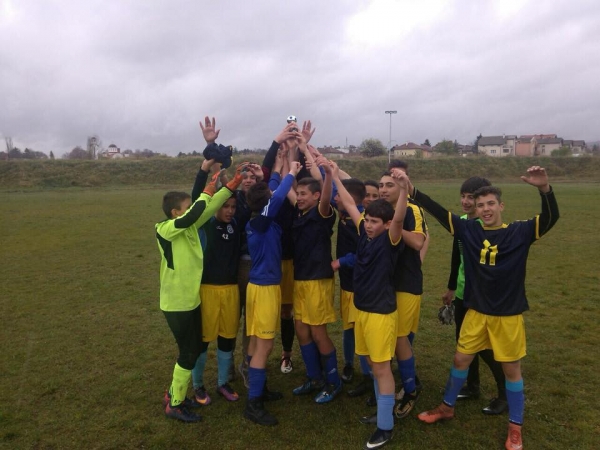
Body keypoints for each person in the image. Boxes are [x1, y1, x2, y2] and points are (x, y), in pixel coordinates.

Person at [414, 166, 559, 450]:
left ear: (501, 206)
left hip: (507, 316)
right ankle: (446, 407)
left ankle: (515, 427)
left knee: (511, 370)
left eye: (490, 203)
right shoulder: (468, 230)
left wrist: (545, 189)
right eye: (480, 205)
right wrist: (412, 191)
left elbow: (551, 218)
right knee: (460, 360)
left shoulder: (519, 232)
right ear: (476, 210)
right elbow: (439, 212)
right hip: (476, 312)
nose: (485, 209)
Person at [332, 161, 408, 450]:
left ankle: (385, 427)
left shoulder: (391, 238)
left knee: (382, 368)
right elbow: (351, 204)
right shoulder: (365, 232)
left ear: (386, 225)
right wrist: (333, 176)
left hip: (380, 314)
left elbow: (399, 218)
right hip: (362, 309)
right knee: (374, 367)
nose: (369, 225)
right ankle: (382, 411)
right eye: (368, 220)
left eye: (375, 222)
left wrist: (403, 189)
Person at [156, 164, 241, 422]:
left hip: (191, 301)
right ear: (175, 212)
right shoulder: (165, 228)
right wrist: (207, 190)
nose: (192, 209)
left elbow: (209, 208)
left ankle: (175, 394)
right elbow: (195, 212)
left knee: (190, 351)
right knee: (189, 352)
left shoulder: (191, 227)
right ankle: (175, 404)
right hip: (176, 303)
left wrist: (231, 185)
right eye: (187, 206)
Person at [441, 176, 507, 415]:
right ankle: (472, 385)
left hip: (481, 297)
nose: (466, 202)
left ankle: (505, 394)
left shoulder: (486, 227)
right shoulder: (462, 223)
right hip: (462, 292)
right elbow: (456, 257)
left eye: (471, 198)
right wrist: (451, 288)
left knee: (484, 348)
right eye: (463, 196)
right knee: (464, 342)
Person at [243, 160, 302, 425]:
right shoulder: (261, 223)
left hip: (259, 287)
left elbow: (273, 193)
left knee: (256, 342)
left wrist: (276, 172)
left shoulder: (258, 221)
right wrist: (292, 172)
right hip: (264, 289)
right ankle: (253, 404)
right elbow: (277, 197)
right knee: (264, 346)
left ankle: (260, 388)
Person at [188, 158, 244, 406]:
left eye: (233, 206)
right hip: (207, 290)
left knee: (227, 338)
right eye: (225, 206)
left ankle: (222, 382)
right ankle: (198, 385)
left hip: (231, 290)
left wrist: (230, 179)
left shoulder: (236, 225)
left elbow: (238, 198)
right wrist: (208, 169)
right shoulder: (206, 225)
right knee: (203, 340)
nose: (230, 210)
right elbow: (196, 199)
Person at [289, 160, 343, 404]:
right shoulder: (300, 212)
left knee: (318, 333)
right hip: (300, 279)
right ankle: (314, 377)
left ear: (316, 196)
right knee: (302, 330)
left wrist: (328, 175)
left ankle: (333, 381)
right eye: (298, 193)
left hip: (318, 280)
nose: (299, 197)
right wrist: (288, 159)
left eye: (304, 194)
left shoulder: (322, 213)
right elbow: (287, 189)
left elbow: (327, 196)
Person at [378, 168, 426, 420]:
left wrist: (392, 226)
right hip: (384, 284)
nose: (383, 190)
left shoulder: (412, 209)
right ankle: (400, 382)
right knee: (392, 338)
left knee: (399, 338)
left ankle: (411, 390)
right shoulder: (380, 210)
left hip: (406, 283)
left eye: (390, 185)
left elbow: (418, 242)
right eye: (381, 185)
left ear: (401, 188)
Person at [331, 178, 367, 384]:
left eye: (338, 195)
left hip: (358, 287)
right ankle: (348, 364)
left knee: (358, 331)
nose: (335, 198)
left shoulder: (360, 222)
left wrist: (341, 262)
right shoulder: (344, 214)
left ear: (349, 199)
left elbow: (364, 254)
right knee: (347, 328)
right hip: (346, 285)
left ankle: (367, 375)